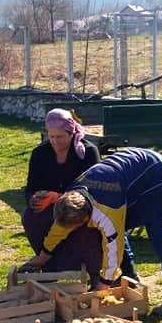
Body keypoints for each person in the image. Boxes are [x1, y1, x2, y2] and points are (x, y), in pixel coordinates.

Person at [22, 147, 162, 318]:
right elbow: (59, 229)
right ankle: (130, 278)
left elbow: (113, 246)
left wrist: (102, 286)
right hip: (128, 175)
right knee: (121, 226)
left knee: (160, 232)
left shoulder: (107, 212)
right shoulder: (71, 196)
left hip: (155, 173)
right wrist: (43, 256)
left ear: (86, 218)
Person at [22, 108, 101, 270]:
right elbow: (30, 187)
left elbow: (93, 191)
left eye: (60, 137)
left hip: (82, 206)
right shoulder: (40, 154)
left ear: (71, 134)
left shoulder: (87, 153)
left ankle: (88, 267)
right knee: (31, 218)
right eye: (51, 137)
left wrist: (58, 197)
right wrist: (36, 198)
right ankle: (50, 265)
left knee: (78, 223)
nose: (55, 141)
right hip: (51, 206)